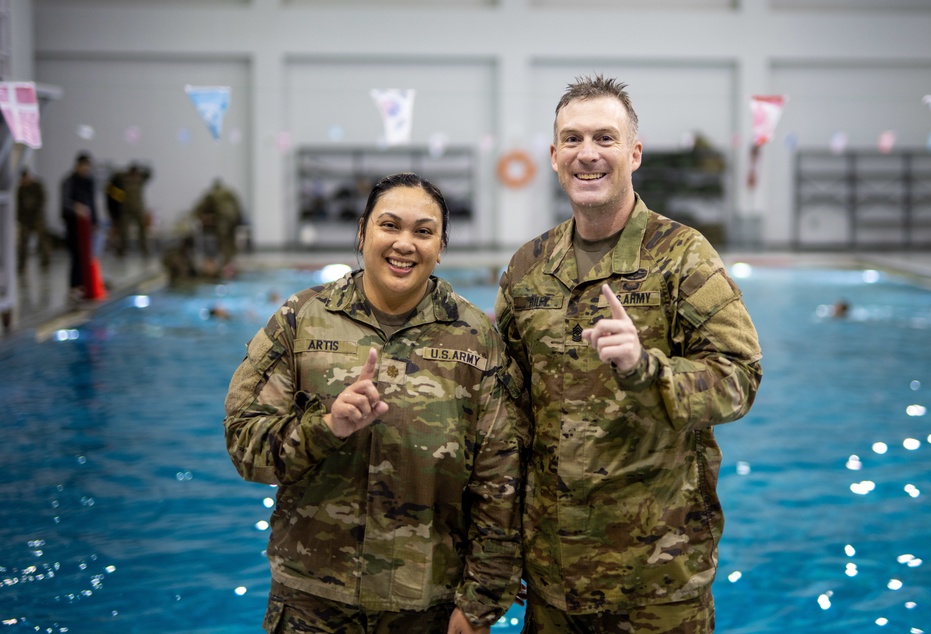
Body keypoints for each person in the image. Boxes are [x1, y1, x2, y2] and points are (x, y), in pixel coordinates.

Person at [495, 75, 763, 632]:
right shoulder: (527, 269)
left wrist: (648, 369)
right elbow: (503, 412)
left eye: (605, 138)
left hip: (656, 579)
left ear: (633, 153)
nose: (586, 154)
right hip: (551, 577)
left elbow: (740, 378)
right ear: (552, 155)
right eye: (572, 139)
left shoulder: (683, 257)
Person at [223, 172, 527, 634]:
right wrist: (326, 426)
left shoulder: (475, 339)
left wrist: (481, 602)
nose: (405, 244)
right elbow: (244, 445)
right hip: (312, 600)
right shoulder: (301, 320)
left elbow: (501, 480)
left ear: (440, 247)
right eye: (390, 226)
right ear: (362, 232)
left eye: (423, 232)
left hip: (428, 604)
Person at [60, 152, 98, 299]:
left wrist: (95, 221)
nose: (86, 169)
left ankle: (85, 284)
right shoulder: (69, 182)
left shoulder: (89, 182)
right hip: (73, 225)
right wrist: (76, 208)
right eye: (84, 165)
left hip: (87, 226)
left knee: (87, 256)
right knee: (76, 255)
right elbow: (65, 204)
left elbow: (92, 203)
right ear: (78, 165)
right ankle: (74, 285)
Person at [194, 178, 242, 268]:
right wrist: (239, 221)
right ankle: (228, 264)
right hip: (233, 221)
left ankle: (221, 266)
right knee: (229, 243)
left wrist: (200, 217)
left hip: (222, 221)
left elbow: (199, 209)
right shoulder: (230, 193)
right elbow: (239, 209)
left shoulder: (211, 194)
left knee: (222, 243)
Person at [16, 168, 50, 274]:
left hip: (37, 218)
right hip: (25, 220)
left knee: (43, 240)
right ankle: (22, 265)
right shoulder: (21, 189)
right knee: (23, 243)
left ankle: (46, 262)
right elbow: (19, 205)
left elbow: (42, 200)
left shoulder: (37, 186)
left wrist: (36, 213)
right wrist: (19, 219)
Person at [119, 162, 153, 256]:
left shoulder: (139, 180)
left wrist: (142, 168)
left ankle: (145, 251)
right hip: (127, 210)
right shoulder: (124, 180)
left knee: (142, 231)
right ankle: (122, 251)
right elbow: (114, 179)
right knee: (124, 232)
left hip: (138, 209)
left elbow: (149, 173)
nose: (134, 175)